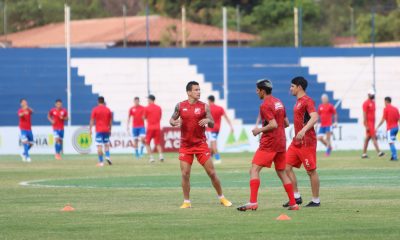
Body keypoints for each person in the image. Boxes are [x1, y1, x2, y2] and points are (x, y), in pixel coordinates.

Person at [237, 79, 298, 211]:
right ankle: (293, 203)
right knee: (282, 172)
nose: (256, 92)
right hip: (281, 142)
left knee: (254, 170)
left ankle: (253, 202)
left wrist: (259, 130)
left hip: (269, 143)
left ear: (263, 91)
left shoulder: (265, 105)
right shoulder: (279, 102)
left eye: (257, 90)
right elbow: (286, 123)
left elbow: (273, 124)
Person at [170, 81, 232, 209]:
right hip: (185, 146)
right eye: (196, 90)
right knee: (185, 174)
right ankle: (186, 202)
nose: (199, 92)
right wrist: (173, 123)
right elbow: (172, 119)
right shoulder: (180, 106)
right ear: (188, 92)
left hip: (200, 145)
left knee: (212, 173)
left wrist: (208, 120)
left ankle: (222, 198)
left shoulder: (204, 107)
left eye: (199, 89)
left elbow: (212, 124)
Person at [285, 76, 321, 207]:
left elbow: (315, 116)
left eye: (292, 86)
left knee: (311, 171)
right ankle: (296, 197)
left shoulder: (307, 101)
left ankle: (316, 200)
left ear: (299, 87)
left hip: (307, 142)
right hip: (297, 142)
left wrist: (304, 130)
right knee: (285, 167)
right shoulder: (298, 101)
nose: (290, 89)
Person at [206, 95, 234, 164]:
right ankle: (209, 160)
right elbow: (226, 117)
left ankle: (218, 159)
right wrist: (231, 126)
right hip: (217, 129)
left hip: (210, 129)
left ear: (209, 100)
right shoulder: (220, 108)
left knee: (213, 145)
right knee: (212, 144)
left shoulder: (208, 108)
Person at [90, 96, 113, 167]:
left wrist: (90, 129)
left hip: (99, 130)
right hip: (106, 129)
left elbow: (92, 120)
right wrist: (110, 129)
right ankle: (108, 156)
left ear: (98, 101)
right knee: (106, 144)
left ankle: (101, 162)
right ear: (104, 101)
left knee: (99, 146)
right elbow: (110, 121)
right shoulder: (108, 109)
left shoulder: (95, 109)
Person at [362, 89, 385, 158]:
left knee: (367, 139)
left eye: (373, 94)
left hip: (372, 123)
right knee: (373, 137)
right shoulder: (365, 103)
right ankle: (379, 152)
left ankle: (364, 154)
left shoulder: (373, 103)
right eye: (372, 94)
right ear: (368, 95)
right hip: (369, 123)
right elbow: (364, 114)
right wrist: (366, 125)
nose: (373, 95)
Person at [377, 97, 399, 161]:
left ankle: (394, 157)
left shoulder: (386, 109)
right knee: (392, 142)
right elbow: (398, 118)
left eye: (384, 102)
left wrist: (378, 126)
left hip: (390, 128)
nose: (384, 103)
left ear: (386, 101)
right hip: (396, 128)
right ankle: (393, 156)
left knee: (391, 143)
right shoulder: (395, 109)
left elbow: (383, 119)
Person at [144, 95, 164, 163]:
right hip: (157, 127)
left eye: (148, 99)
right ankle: (161, 156)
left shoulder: (146, 108)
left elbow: (144, 117)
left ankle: (151, 158)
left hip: (150, 128)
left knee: (147, 143)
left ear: (150, 100)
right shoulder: (159, 107)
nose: (147, 101)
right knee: (158, 143)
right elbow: (160, 117)